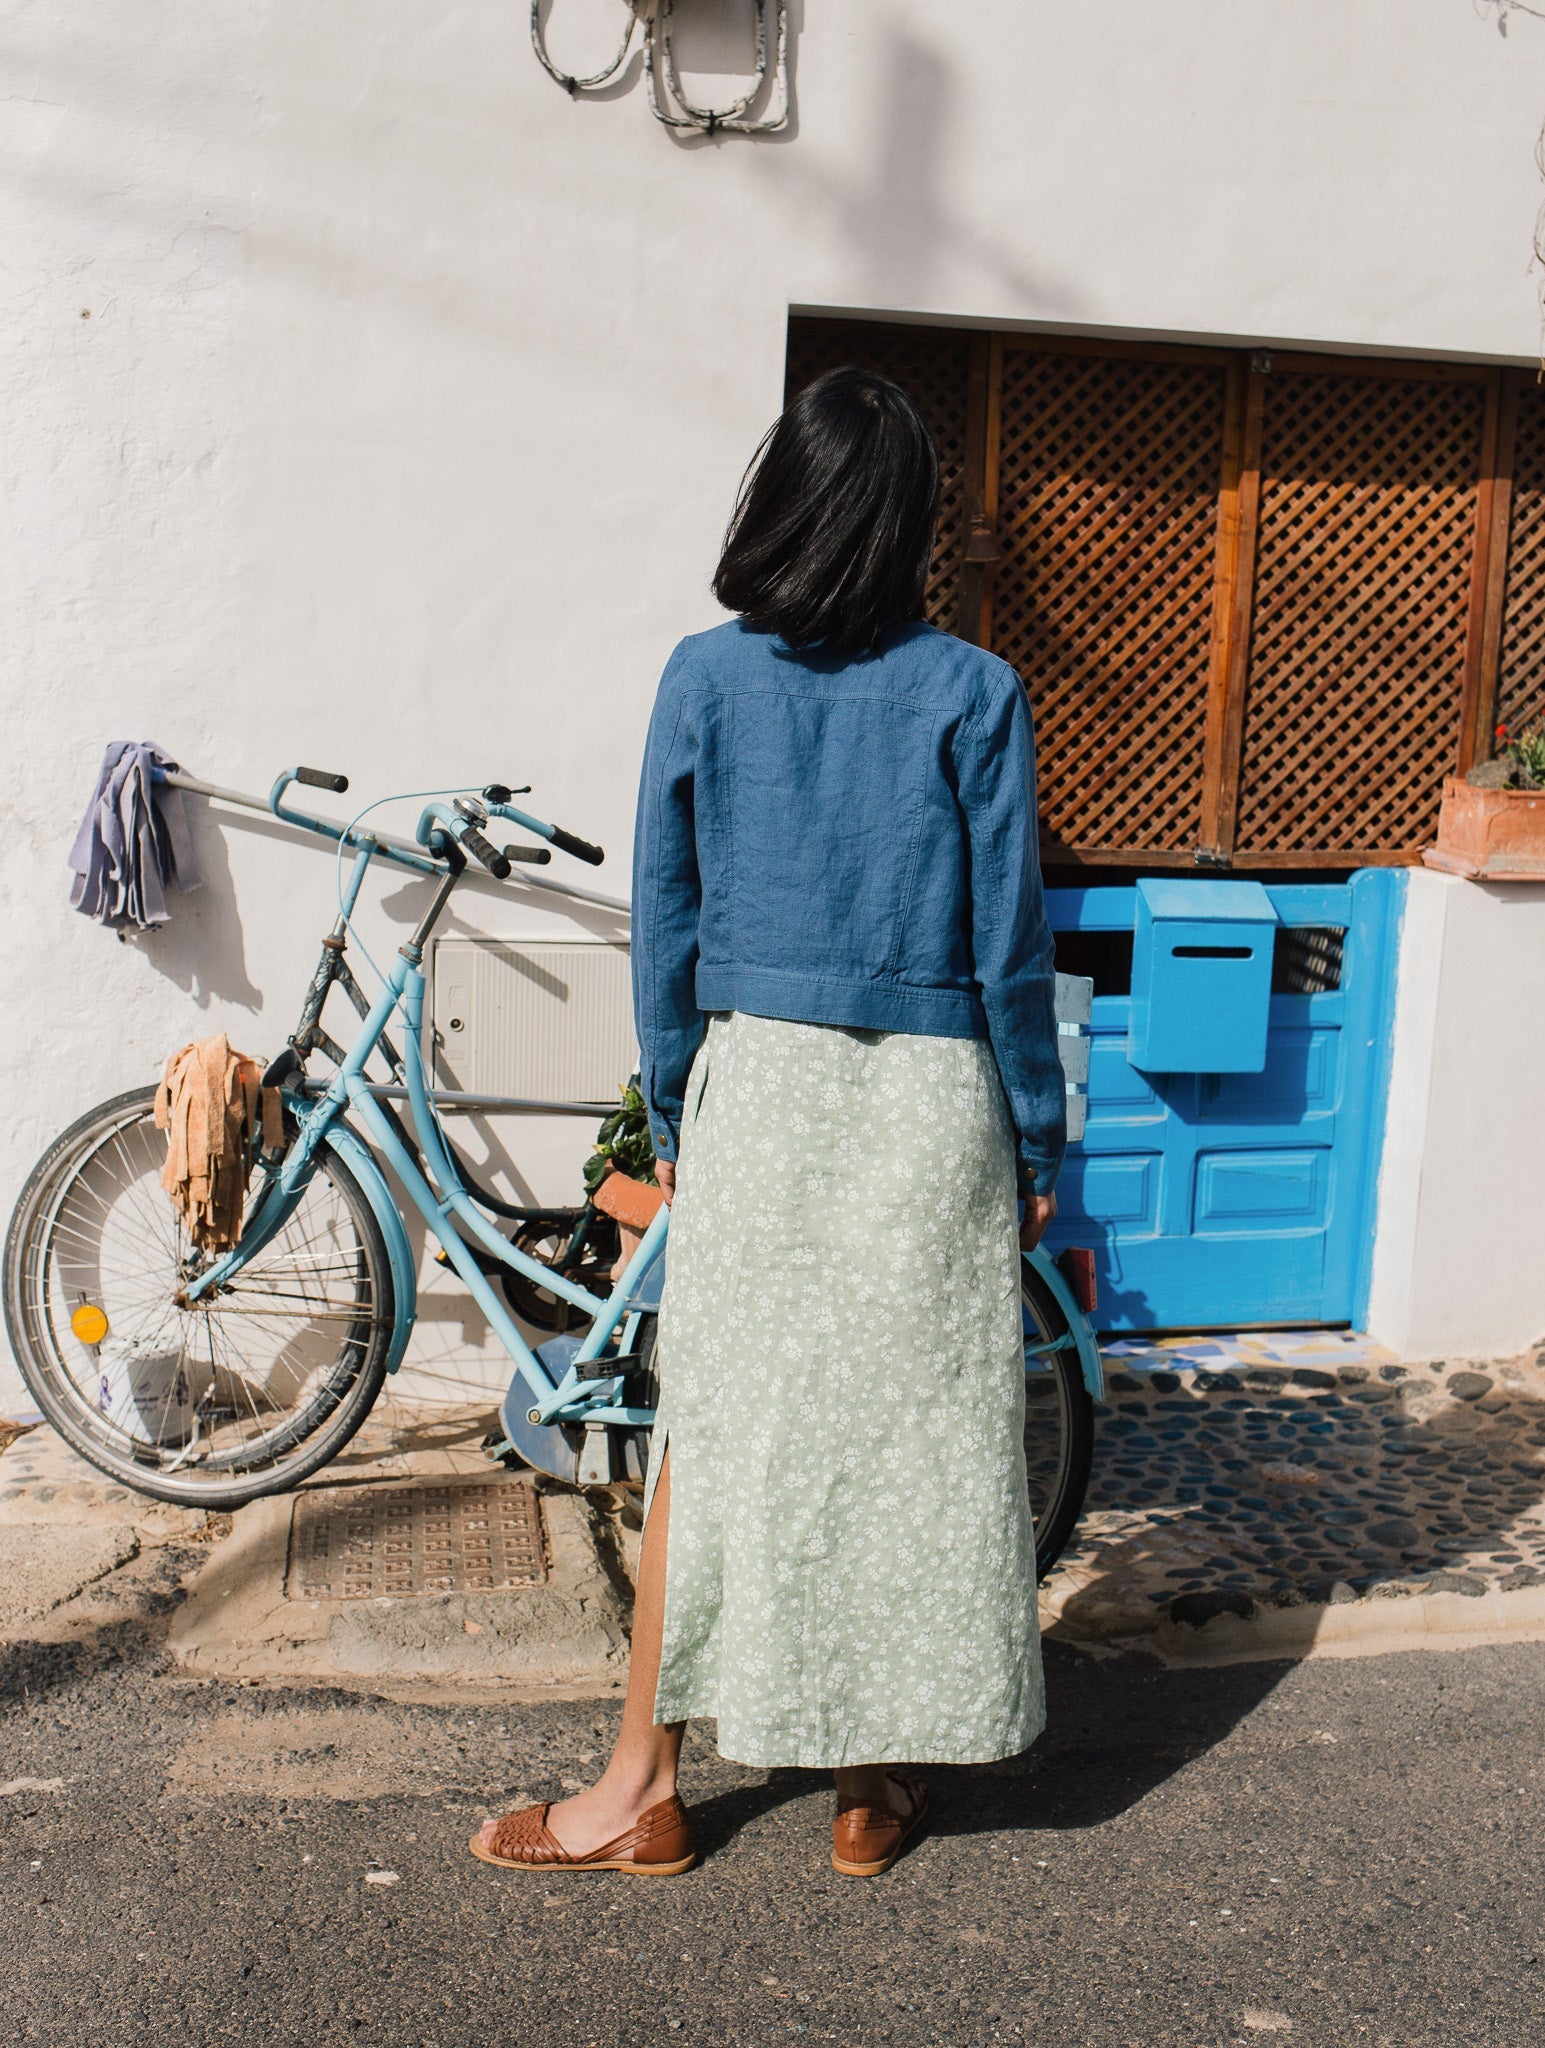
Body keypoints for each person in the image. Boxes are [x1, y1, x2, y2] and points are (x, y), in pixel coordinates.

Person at [472, 367, 1065, 1880]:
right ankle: (873, 1786)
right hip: (931, 1103)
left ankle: (637, 1790)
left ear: (778, 502)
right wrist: (1037, 1146)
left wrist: (673, 1101)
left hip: (765, 1095)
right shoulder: (973, 692)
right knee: (906, 1436)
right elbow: (1008, 949)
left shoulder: (704, 677)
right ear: (914, 522)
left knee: (716, 1441)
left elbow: (662, 918)